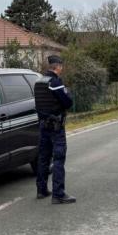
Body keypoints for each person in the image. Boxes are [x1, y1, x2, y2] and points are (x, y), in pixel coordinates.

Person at [33, 55, 76, 204]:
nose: (62, 69)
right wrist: (68, 93)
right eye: (61, 66)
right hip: (56, 127)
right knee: (58, 158)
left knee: (43, 158)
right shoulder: (55, 82)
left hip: (43, 126)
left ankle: (41, 190)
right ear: (57, 67)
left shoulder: (38, 82)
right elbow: (67, 102)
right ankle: (58, 194)